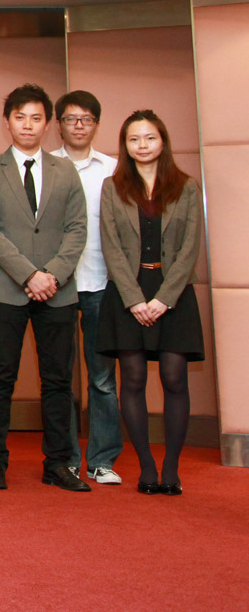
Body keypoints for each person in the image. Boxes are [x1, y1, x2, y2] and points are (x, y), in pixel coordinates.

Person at [0, 84, 90, 492]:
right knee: (0, 377)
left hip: (58, 291)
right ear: (7, 122)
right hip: (8, 289)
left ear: (48, 124)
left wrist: (52, 275)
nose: (28, 125)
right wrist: (29, 275)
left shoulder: (65, 170)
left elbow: (77, 229)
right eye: (20, 117)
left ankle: (58, 463)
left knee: (58, 380)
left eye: (36, 118)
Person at [97, 110, 205, 496]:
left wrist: (164, 299)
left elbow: (190, 247)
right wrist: (135, 300)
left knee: (174, 378)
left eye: (150, 138)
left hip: (173, 291)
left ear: (163, 142)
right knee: (133, 379)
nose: (142, 145)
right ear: (125, 145)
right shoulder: (112, 187)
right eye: (134, 139)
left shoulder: (186, 186)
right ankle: (146, 468)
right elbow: (110, 246)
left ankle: (171, 470)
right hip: (128, 291)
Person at [50, 90, 123, 484]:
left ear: (96, 124)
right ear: (58, 124)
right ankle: (67, 458)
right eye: (70, 119)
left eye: (86, 119)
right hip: (57, 284)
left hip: (102, 281)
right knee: (60, 377)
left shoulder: (114, 169)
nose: (78, 126)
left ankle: (102, 459)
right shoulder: (45, 165)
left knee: (102, 378)